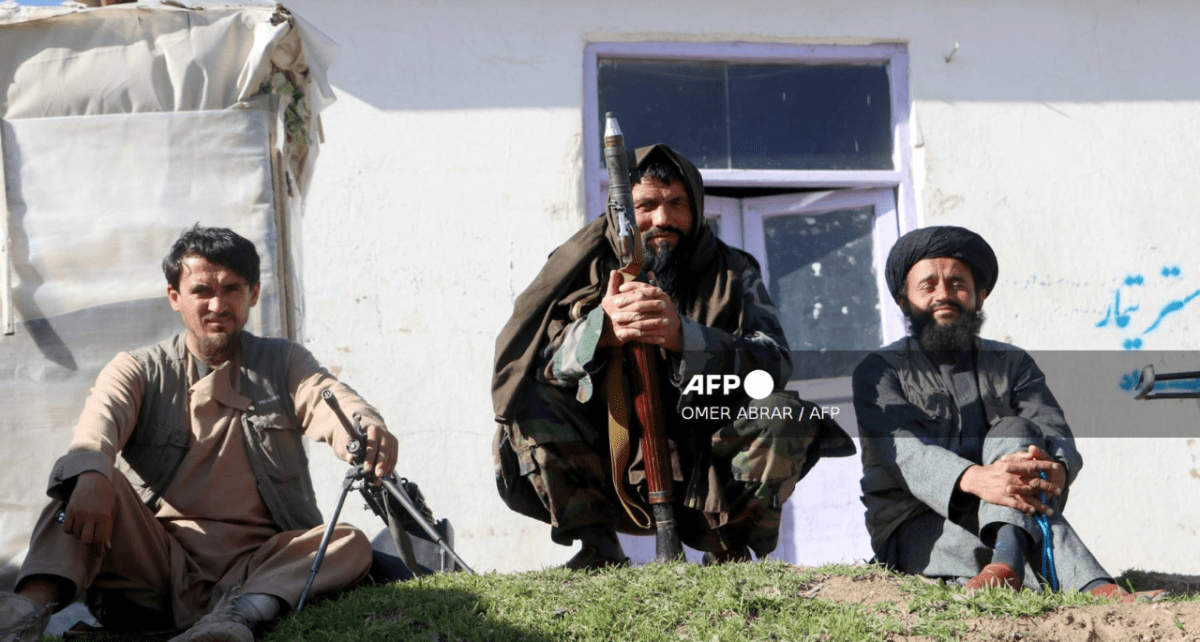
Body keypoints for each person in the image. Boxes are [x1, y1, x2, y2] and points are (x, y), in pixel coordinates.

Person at [0, 226, 398, 642]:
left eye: (231, 289)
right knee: (82, 483)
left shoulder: (283, 362)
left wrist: (367, 427)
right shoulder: (139, 368)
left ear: (254, 294)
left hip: (259, 568)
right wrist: (93, 472)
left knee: (347, 541)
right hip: (159, 567)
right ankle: (20, 619)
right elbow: (97, 426)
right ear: (175, 297)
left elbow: (326, 397)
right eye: (202, 289)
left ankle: (234, 620)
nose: (217, 304)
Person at [492, 143, 853, 569]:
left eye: (676, 203)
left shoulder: (733, 272)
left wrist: (687, 338)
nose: (662, 219)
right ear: (623, 209)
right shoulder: (581, 267)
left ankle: (730, 550)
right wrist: (598, 331)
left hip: (706, 451)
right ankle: (597, 548)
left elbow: (773, 363)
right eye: (646, 204)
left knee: (784, 414)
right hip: (608, 449)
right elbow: (536, 365)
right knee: (528, 400)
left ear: (695, 206)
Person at [853, 225, 1162, 601]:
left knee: (1016, 431)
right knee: (1021, 519)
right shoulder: (877, 371)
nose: (943, 295)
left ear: (980, 296)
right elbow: (904, 452)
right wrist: (975, 478)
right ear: (905, 302)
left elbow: (1052, 429)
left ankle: (1007, 562)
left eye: (957, 284)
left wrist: (1058, 469)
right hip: (917, 519)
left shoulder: (1012, 363)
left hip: (1015, 503)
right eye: (928, 286)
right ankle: (1093, 586)